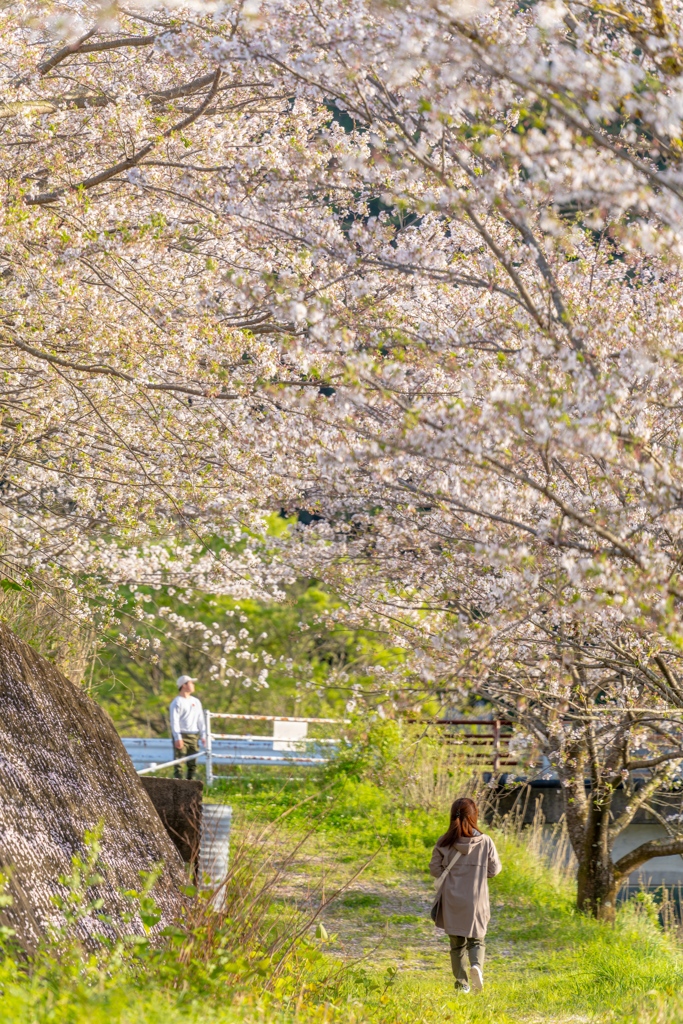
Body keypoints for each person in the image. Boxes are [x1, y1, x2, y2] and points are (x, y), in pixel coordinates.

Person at [429, 796, 501, 994]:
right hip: (477, 899)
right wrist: (477, 873)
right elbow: (494, 870)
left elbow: (435, 869)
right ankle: (476, 966)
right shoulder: (485, 841)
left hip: (452, 899)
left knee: (457, 945)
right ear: (474, 815)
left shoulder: (444, 842)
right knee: (477, 940)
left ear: (453, 816)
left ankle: (462, 984)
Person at [169, 675, 206, 780]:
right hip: (182, 734)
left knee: (193, 763)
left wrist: (203, 735)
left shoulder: (196, 701)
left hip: (194, 735)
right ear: (184, 685)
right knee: (179, 763)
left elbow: (200, 719)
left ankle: (191, 785)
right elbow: (174, 721)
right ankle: (179, 785)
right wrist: (177, 737)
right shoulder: (177, 702)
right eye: (191, 683)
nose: (193, 685)